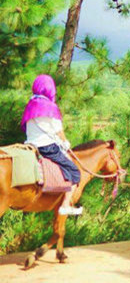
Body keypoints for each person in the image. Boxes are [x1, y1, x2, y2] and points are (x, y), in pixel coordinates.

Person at [22, 74, 82, 216]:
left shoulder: (30, 104)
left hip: (30, 145)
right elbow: (58, 130)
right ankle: (65, 205)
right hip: (47, 147)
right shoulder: (50, 107)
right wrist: (66, 142)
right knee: (74, 171)